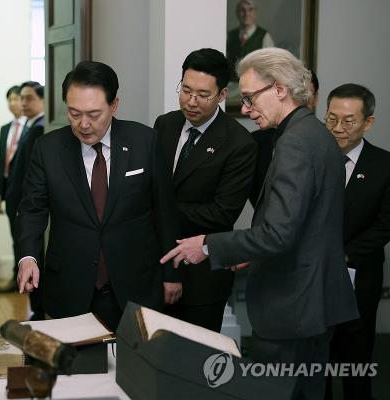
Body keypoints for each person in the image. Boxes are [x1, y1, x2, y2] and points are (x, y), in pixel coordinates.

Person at [161, 48, 358, 400]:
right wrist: (253, 250)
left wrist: (207, 244)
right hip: (316, 300)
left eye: (250, 98)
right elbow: (304, 224)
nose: (247, 109)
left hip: (291, 305)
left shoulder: (294, 143)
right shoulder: (315, 133)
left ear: (279, 90)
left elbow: (278, 233)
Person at [16, 61, 181, 331]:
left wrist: (172, 274)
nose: (83, 124)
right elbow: (32, 209)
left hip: (135, 284)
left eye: (93, 114)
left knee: (135, 369)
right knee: (76, 370)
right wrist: (28, 258)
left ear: (114, 105)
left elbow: (164, 212)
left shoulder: (145, 142)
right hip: (71, 284)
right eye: (73, 113)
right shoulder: (47, 149)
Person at [153, 48, 257, 332]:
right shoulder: (165, 124)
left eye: (203, 95)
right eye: (185, 90)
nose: (191, 101)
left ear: (222, 94)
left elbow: (221, 213)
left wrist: (159, 211)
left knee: (195, 361)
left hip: (202, 276)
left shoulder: (239, 144)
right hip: (156, 265)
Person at [324, 84, 390, 400]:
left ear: (368, 123)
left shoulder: (384, 166)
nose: (338, 128)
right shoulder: (311, 157)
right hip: (311, 278)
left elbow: (384, 226)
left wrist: (343, 256)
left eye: (348, 121)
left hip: (358, 276)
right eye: (331, 118)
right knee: (314, 363)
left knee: (355, 362)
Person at [0, 81, 46, 313]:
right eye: (22, 98)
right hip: (15, 198)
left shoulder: (41, 129)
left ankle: (37, 307)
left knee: (30, 252)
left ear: (43, 100)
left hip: (27, 202)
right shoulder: (30, 126)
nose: (23, 103)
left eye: (29, 98)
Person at [249, 70, 318, 206]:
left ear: (315, 98)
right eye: (296, 94)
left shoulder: (324, 138)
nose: (300, 101)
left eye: (305, 95)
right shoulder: (256, 142)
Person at [0, 85, 27, 289]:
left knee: (27, 235)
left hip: (26, 192)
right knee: (15, 236)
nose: (13, 103)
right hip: (10, 192)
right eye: (10, 100)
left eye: (16, 99)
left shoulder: (32, 127)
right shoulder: (5, 129)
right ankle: (17, 276)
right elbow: (1, 162)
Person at [227, 0, 274, 82]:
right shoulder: (230, 35)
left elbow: (270, 65)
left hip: (255, 85)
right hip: (232, 85)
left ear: (255, 13)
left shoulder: (264, 36)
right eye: (243, 10)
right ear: (237, 13)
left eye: (250, 10)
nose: (246, 14)